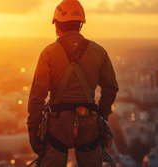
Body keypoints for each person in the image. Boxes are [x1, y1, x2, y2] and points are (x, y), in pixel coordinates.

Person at [27, 0, 119, 166]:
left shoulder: (48, 53)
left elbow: (36, 97)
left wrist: (34, 133)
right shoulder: (98, 52)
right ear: (80, 25)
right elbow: (111, 88)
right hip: (88, 125)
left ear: (57, 25)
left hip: (57, 126)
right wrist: (101, 117)